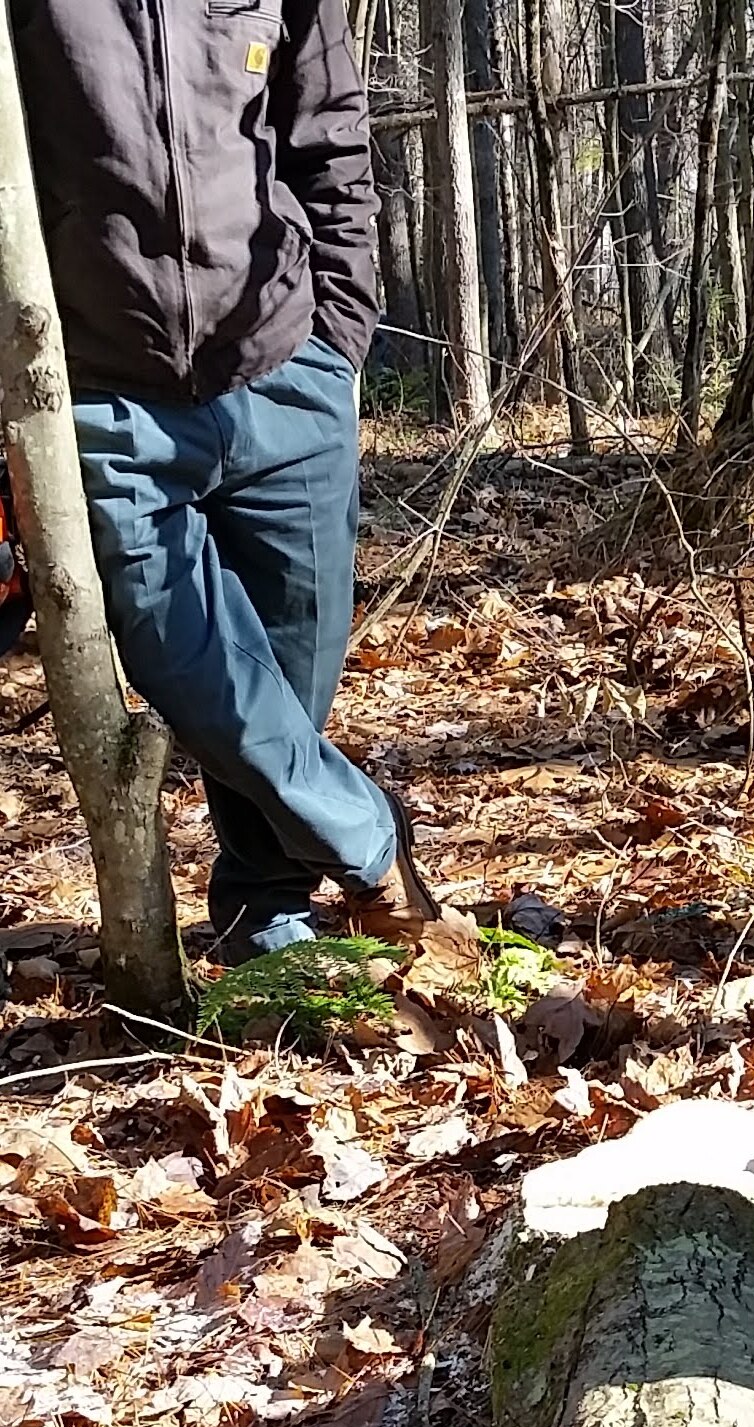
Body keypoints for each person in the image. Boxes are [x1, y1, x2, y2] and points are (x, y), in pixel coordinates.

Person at [12, 1, 438, 961]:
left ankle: (262, 917)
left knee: (296, 671)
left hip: (286, 361)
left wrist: (337, 341)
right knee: (191, 663)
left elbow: (326, 135)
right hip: (104, 392)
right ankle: (370, 842)